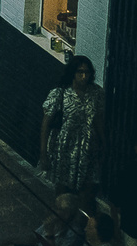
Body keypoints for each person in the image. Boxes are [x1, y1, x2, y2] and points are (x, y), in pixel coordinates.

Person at [39, 57, 103, 196]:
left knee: (86, 191)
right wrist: (43, 153)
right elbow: (46, 124)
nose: (84, 76)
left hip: (88, 149)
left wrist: (104, 145)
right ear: (73, 73)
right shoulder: (60, 93)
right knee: (63, 193)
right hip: (65, 149)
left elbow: (98, 120)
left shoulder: (96, 93)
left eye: (87, 72)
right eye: (80, 72)